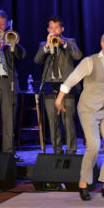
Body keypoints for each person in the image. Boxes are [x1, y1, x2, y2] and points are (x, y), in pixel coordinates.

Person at [55, 32, 104, 201]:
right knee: (93, 145)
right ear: (103, 44)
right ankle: (83, 184)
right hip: (88, 109)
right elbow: (72, 79)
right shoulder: (90, 61)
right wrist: (59, 99)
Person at [34, 15, 82, 154]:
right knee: (53, 121)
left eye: (57, 28)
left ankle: (71, 151)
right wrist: (47, 46)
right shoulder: (43, 44)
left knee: (68, 121)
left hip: (67, 87)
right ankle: (57, 151)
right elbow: (37, 60)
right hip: (50, 87)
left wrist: (63, 44)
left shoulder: (70, 42)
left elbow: (78, 56)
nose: (54, 30)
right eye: (52, 28)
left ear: (62, 29)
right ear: (48, 29)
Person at [0, 10, 26, 161]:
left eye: (3, 24)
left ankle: (8, 154)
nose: (0, 27)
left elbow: (22, 55)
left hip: (8, 84)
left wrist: (12, 45)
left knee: (9, 120)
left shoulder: (9, 39)